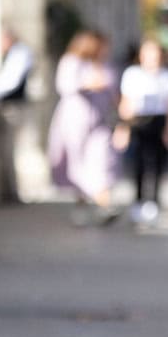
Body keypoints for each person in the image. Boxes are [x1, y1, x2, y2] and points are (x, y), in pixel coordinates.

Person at [47, 30, 119, 220]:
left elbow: (113, 91)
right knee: (77, 162)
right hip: (75, 119)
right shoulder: (72, 62)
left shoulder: (102, 65)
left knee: (102, 161)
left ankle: (103, 203)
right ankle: (84, 205)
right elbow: (65, 86)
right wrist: (88, 84)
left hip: (99, 120)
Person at [115, 38, 168, 226]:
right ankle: (138, 201)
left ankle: (153, 203)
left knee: (158, 164)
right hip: (138, 121)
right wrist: (123, 127)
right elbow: (125, 103)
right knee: (138, 163)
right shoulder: (132, 74)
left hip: (159, 121)